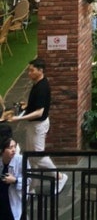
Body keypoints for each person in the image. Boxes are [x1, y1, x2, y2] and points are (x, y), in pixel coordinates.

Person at [7, 58, 67, 193]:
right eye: (29, 70)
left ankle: (59, 177)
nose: (29, 73)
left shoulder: (42, 87)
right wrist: (27, 106)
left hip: (38, 126)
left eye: (32, 70)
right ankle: (32, 186)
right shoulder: (37, 84)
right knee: (31, 156)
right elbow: (37, 105)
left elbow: (39, 112)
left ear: (40, 70)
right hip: (34, 125)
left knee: (38, 156)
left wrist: (19, 118)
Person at [0, 136, 22, 220]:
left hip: (12, 199)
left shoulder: (20, 160)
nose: (13, 150)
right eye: (10, 148)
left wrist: (15, 180)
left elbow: (28, 179)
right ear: (2, 150)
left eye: (14, 147)